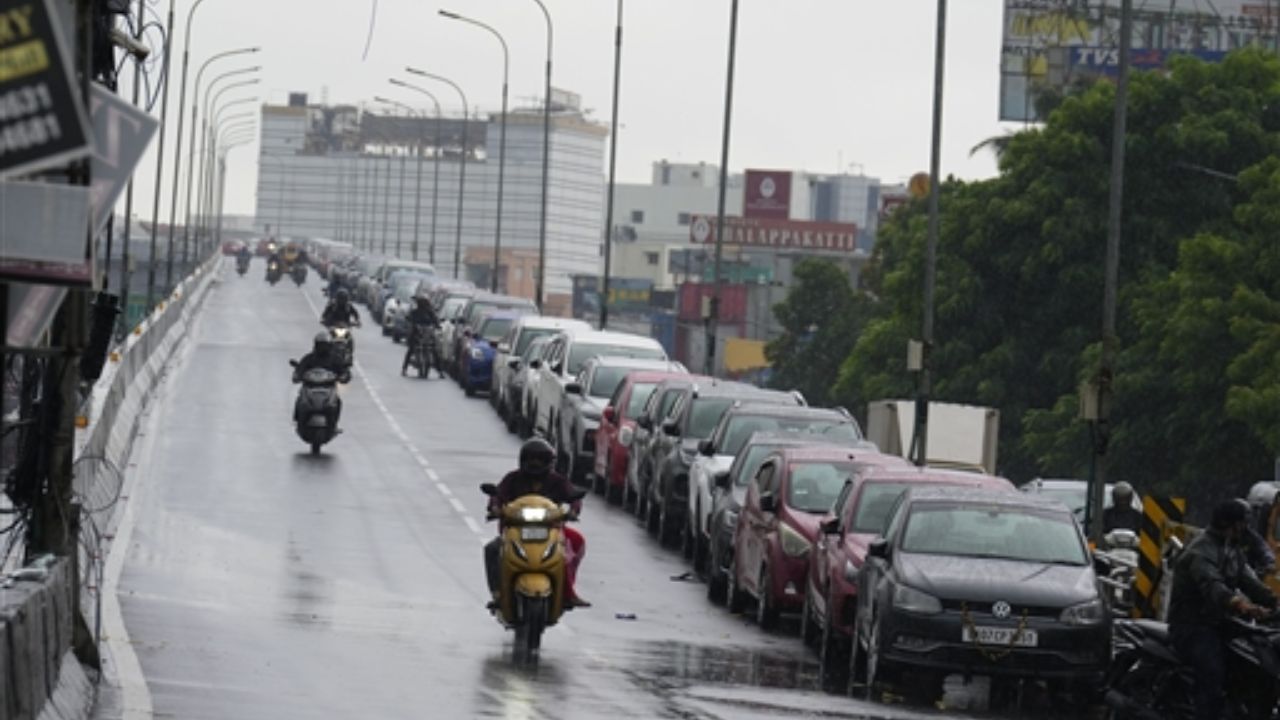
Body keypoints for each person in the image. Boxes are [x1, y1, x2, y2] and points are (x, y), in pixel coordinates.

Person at [1167, 499, 1278, 720]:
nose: (1246, 528)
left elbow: (1251, 582)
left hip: (1221, 623)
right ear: (1229, 523)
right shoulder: (1201, 550)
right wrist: (1242, 605)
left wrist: (1273, 601)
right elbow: (1214, 587)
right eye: (1243, 523)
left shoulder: (1231, 548)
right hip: (1192, 626)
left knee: (1256, 657)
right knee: (1212, 674)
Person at [484, 438, 590, 611]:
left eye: (540, 459)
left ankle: (568, 592)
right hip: (515, 528)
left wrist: (573, 510)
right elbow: (497, 494)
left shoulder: (558, 481)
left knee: (574, 543)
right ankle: (498, 593)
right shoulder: (512, 479)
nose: (535, 463)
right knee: (492, 550)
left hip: (551, 529)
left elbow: (572, 496)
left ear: (549, 462)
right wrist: (495, 508)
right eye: (531, 459)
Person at [292, 333, 351, 424]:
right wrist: (297, 375)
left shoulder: (335, 359)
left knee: (338, 401)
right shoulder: (309, 358)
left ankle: (333, 423)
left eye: (324, 345)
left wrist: (344, 375)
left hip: (328, 388)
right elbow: (300, 369)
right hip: (310, 387)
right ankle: (297, 419)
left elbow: (342, 370)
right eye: (320, 345)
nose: (322, 348)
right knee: (300, 399)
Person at [401, 296, 438, 376]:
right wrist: (412, 323)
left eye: (424, 304)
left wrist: (437, 325)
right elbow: (409, 317)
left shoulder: (430, 312)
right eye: (421, 304)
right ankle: (404, 368)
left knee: (434, 349)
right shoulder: (415, 312)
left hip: (428, 334)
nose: (423, 305)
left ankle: (440, 370)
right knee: (411, 349)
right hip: (417, 334)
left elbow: (435, 320)